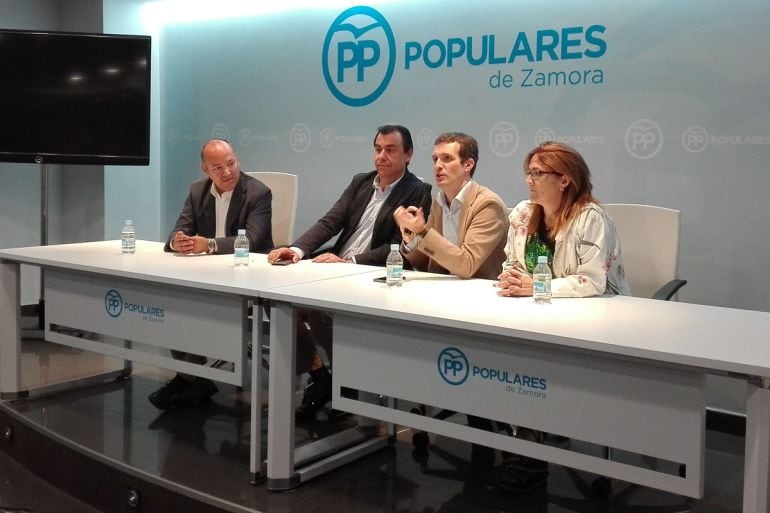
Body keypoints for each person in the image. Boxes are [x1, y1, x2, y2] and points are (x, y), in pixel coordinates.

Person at [267, 124, 431, 421]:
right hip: (336, 266)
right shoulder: (361, 182)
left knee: (317, 312)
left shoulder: (418, 191)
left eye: (390, 150)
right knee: (279, 304)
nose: (382, 156)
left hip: (370, 274)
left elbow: (398, 248)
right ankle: (321, 376)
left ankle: (348, 378)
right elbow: (330, 222)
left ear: (408, 155)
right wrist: (298, 249)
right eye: (378, 149)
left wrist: (351, 263)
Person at [495, 140, 630, 492]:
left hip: (597, 316)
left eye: (537, 173)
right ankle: (524, 439)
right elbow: (512, 262)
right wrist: (510, 278)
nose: (529, 180)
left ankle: (529, 444)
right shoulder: (524, 214)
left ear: (565, 179)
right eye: (528, 173)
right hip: (536, 312)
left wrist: (533, 288)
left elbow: (591, 281)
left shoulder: (591, 218)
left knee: (533, 359)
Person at [149, 139, 273, 410]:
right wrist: (177, 242)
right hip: (208, 274)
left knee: (193, 305)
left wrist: (211, 244)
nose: (228, 172)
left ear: (237, 159)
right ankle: (192, 377)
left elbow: (252, 239)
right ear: (205, 169)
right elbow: (177, 232)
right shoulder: (197, 191)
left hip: (250, 275)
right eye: (218, 167)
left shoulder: (257, 192)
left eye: (231, 164)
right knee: (174, 302)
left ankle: (191, 378)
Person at [394, 132, 507, 279]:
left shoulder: (487, 205)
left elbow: (467, 266)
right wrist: (411, 237)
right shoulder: (439, 202)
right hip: (443, 288)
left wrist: (422, 231)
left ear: (468, 164)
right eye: (435, 159)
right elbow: (425, 263)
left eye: (447, 159)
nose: (438, 166)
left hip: (479, 291)